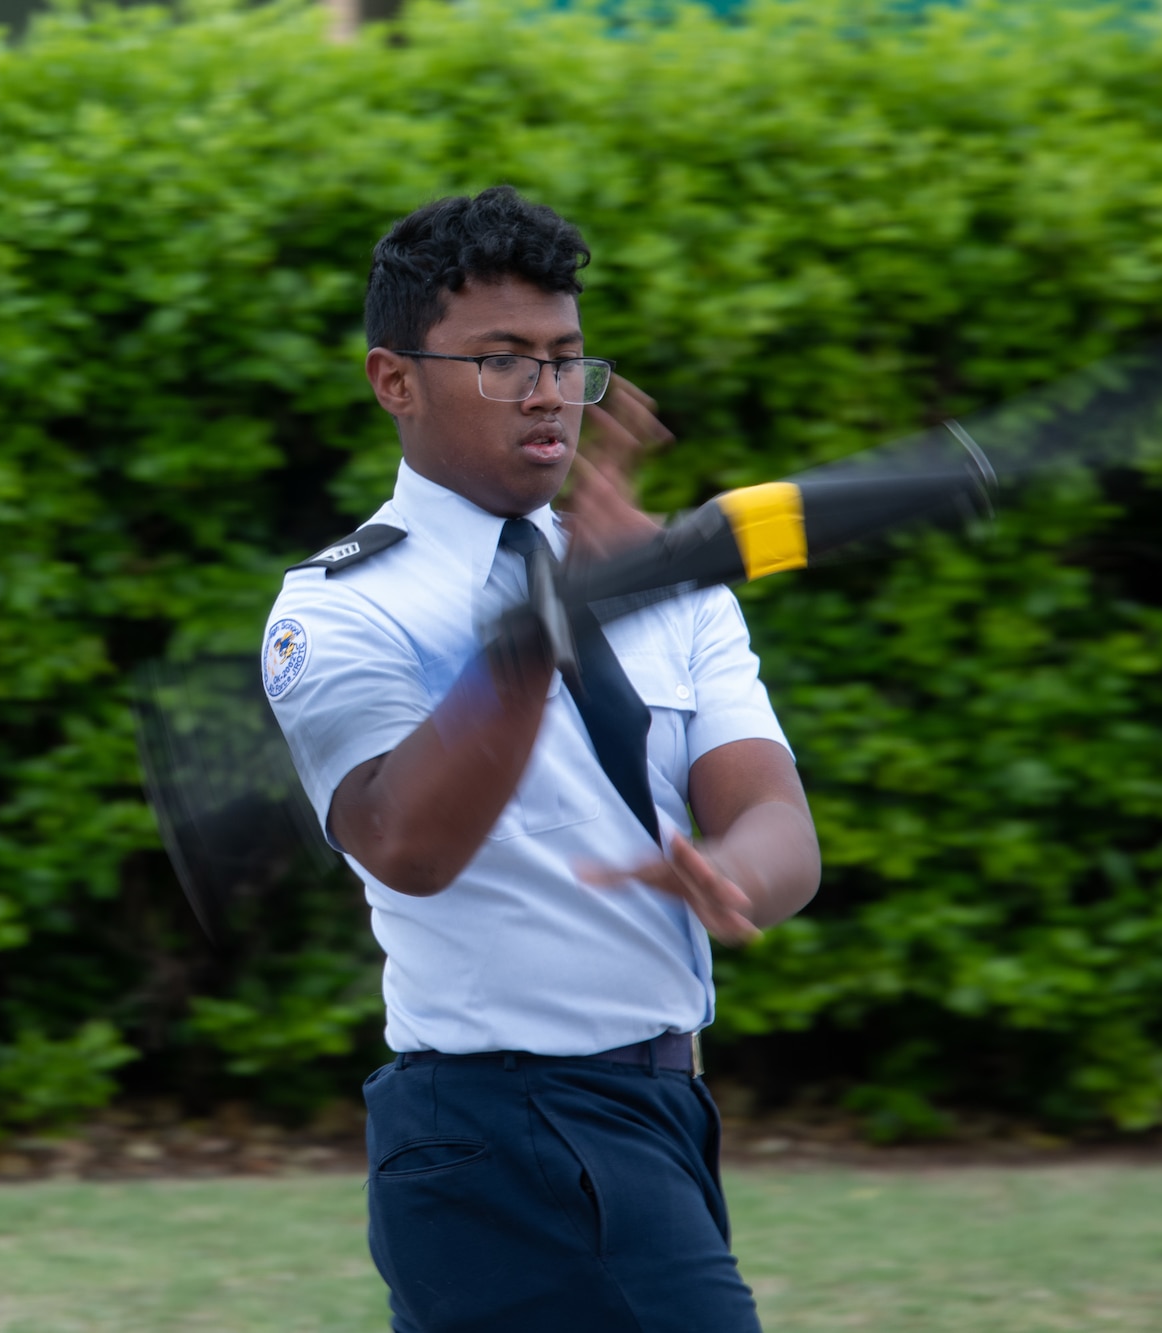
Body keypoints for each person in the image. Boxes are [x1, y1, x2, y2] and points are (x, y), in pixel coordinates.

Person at [262, 185, 821, 1332]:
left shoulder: (663, 577)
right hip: (494, 1119)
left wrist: (735, 876)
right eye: (502, 359)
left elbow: (774, 819)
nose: (547, 392)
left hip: (661, 1107)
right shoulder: (338, 607)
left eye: (566, 359)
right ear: (393, 380)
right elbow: (403, 843)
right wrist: (549, 623)